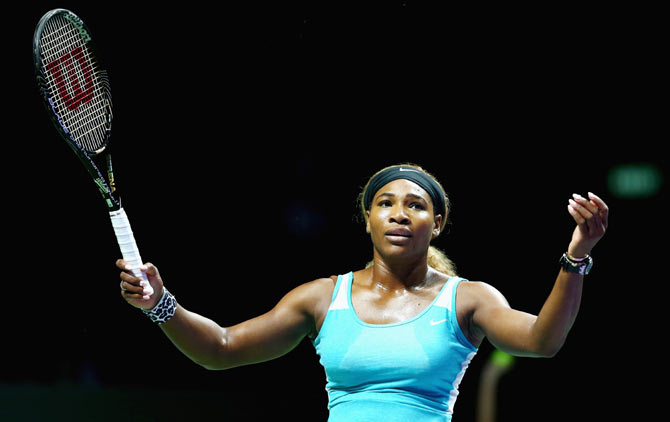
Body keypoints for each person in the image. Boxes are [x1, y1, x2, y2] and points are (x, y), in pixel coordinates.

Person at [118, 163, 608, 421]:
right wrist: (161, 304)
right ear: (367, 218)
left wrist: (576, 258)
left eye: (415, 205)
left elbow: (543, 341)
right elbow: (220, 350)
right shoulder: (319, 298)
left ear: (436, 224)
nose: (399, 213)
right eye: (385, 203)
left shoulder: (468, 300)